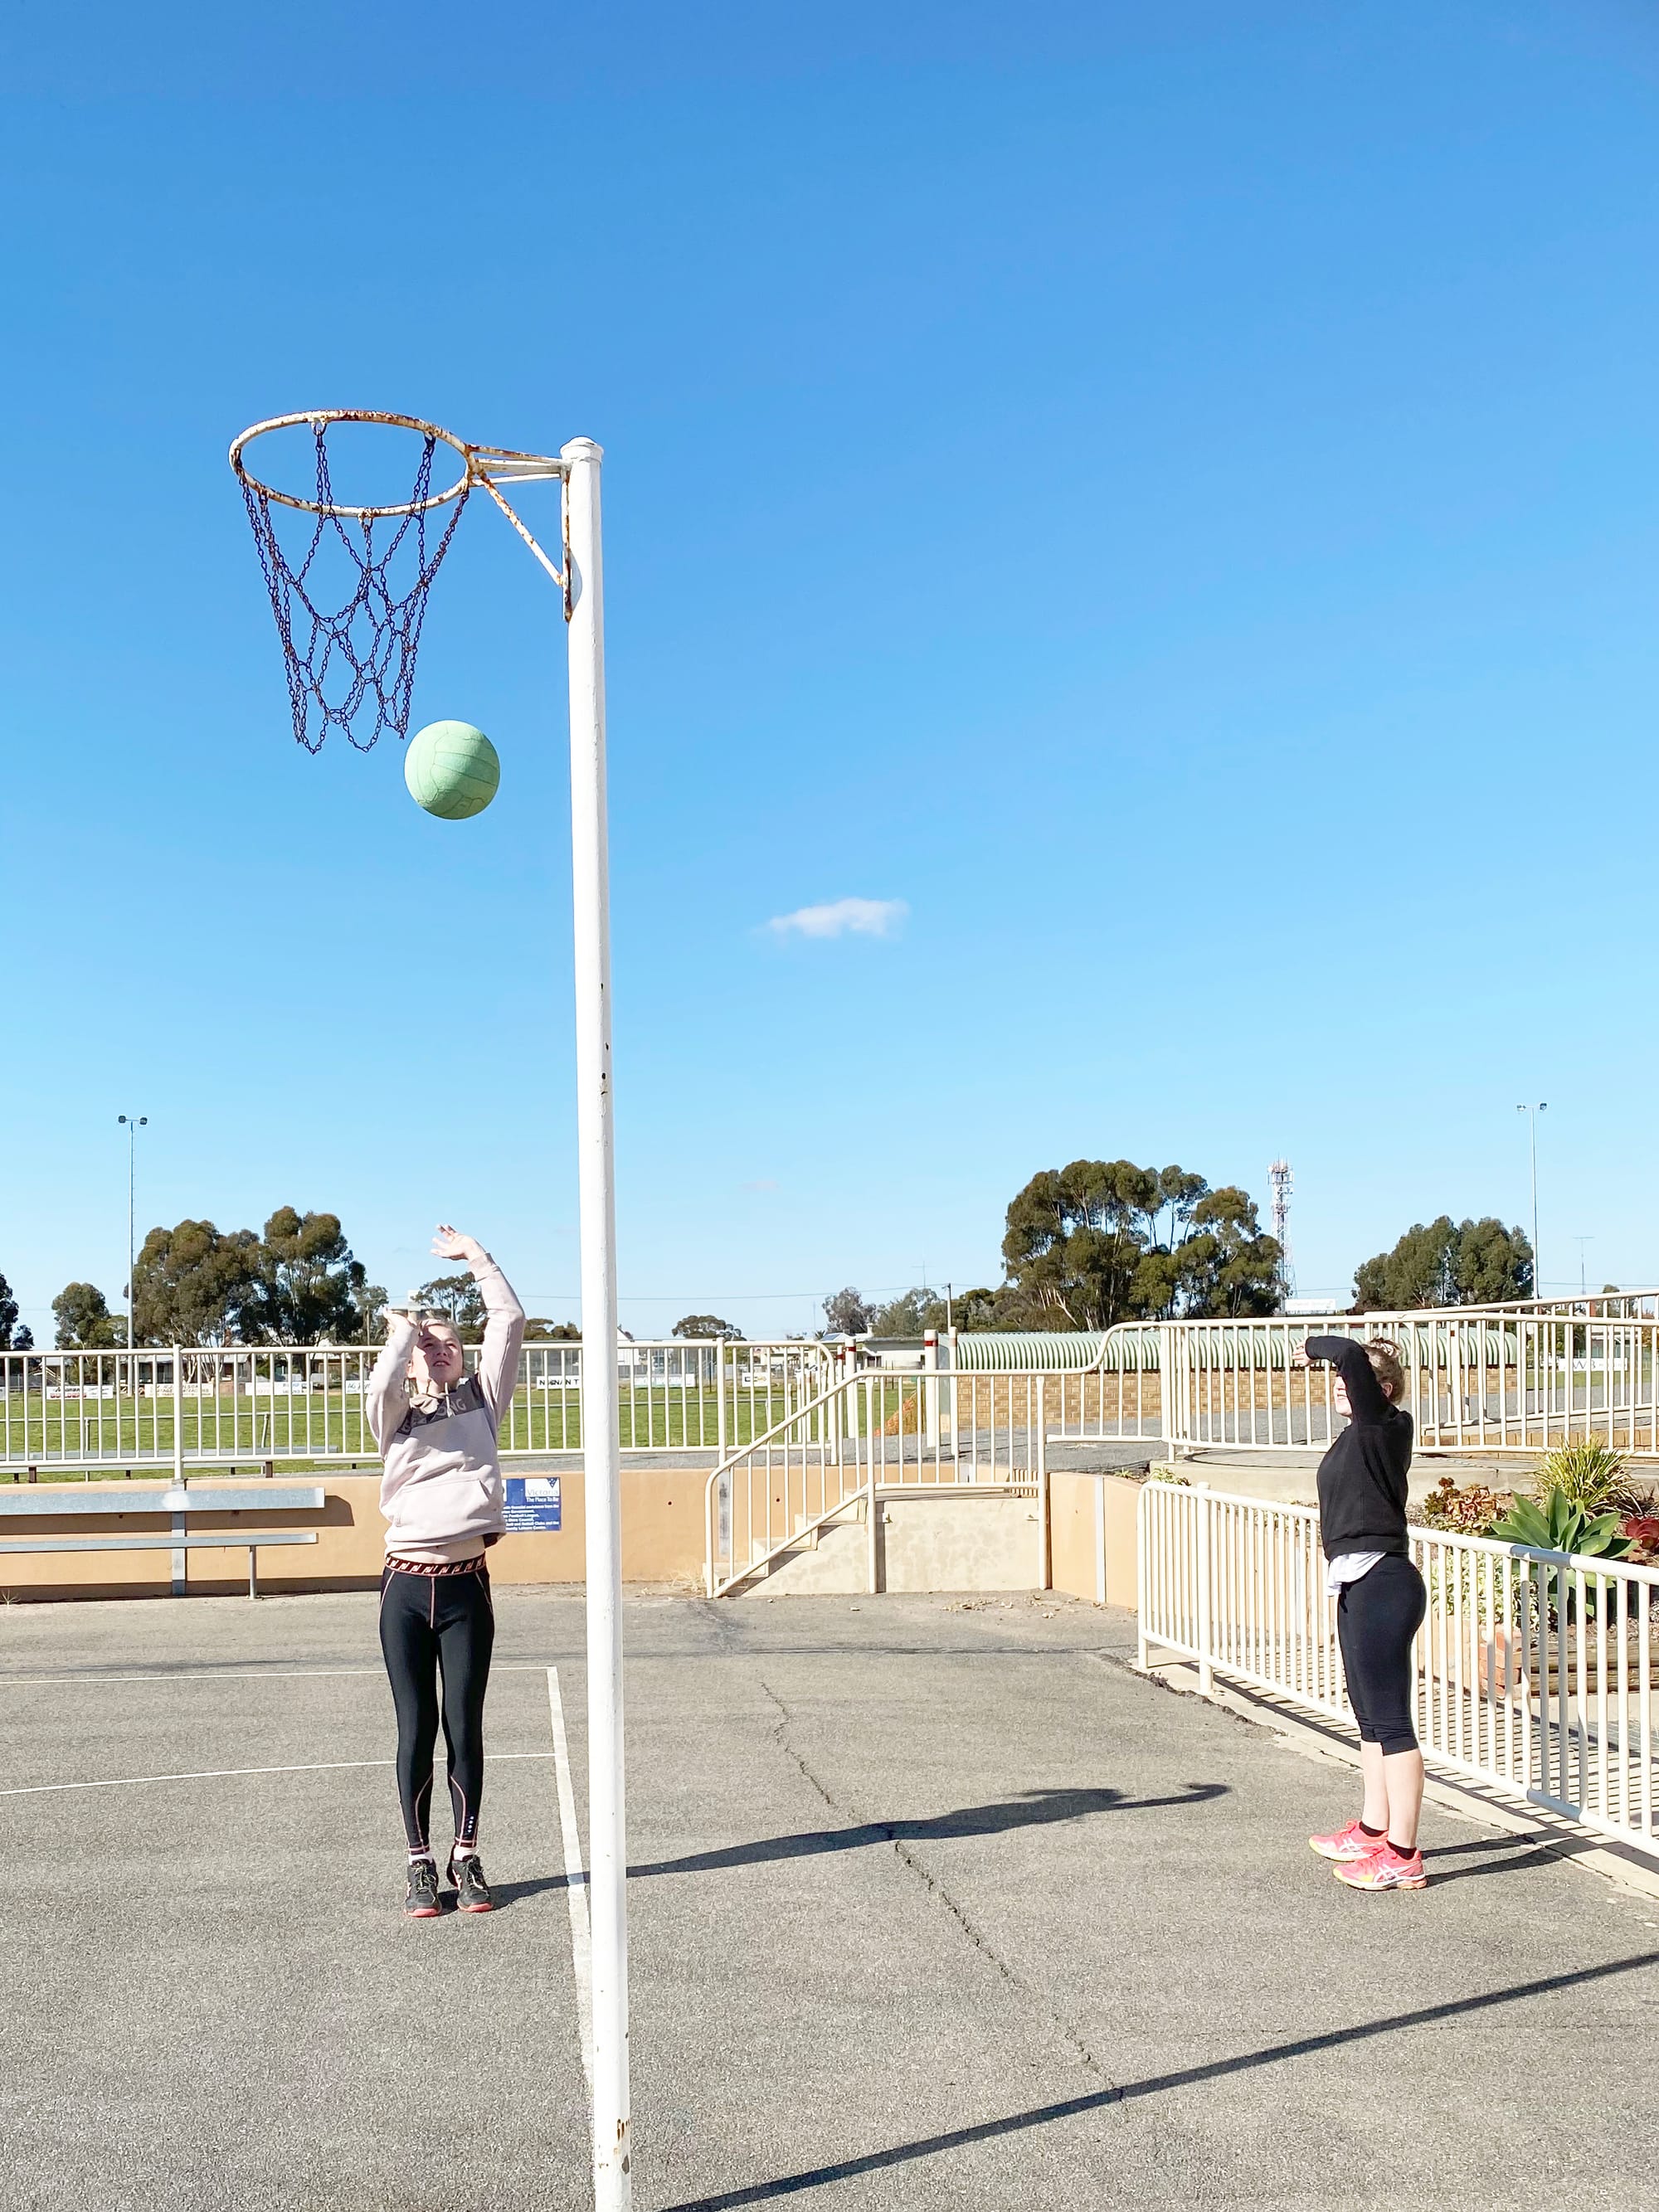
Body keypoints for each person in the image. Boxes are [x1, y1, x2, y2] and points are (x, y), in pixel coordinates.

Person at [366, 1225, 526, 1918]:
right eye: (426, 1346)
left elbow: (509, 1319)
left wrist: (477, 1259)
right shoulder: (393, 1414)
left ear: (464, 1358)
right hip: (405, 1587)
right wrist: (404, 1333)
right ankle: (419, 1864)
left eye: (447, 1343)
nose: (437, 1351)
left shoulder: (484, 1400)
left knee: (465, 1722)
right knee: (415, 1728)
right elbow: (382, 1379)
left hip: (466, 1586)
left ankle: (467, 1854)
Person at [1297, 1333, 1428, 1892]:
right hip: (1356, 1580)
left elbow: (1348, 1354)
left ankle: (1404, 1852)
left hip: (1384, 1582)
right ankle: (1375, 1828)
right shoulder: (1357, 1435)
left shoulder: (1384, 1426)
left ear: (1382, 1389)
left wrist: (1313, 1345)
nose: (1338, 1382)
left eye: (1347, 1379)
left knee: (1393, 1723)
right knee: (1370, 1719)